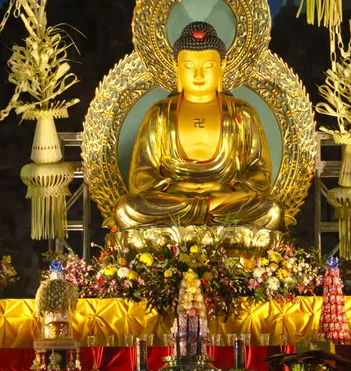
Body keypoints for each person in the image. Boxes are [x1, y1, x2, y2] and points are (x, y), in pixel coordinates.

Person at [112, 21, 284, 231]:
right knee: (126, 209)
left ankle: (194, 222)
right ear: (176, 67)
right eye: (189, 66)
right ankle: (206, 218)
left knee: (272, 210)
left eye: (208, 66)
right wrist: (177, 187)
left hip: (225, 200)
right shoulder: (160, 113)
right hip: (175, 200)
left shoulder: (241, 112)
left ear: (222, 66)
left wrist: (225, 190)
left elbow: (260, 174)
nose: (199, 75)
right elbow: (141, 177)